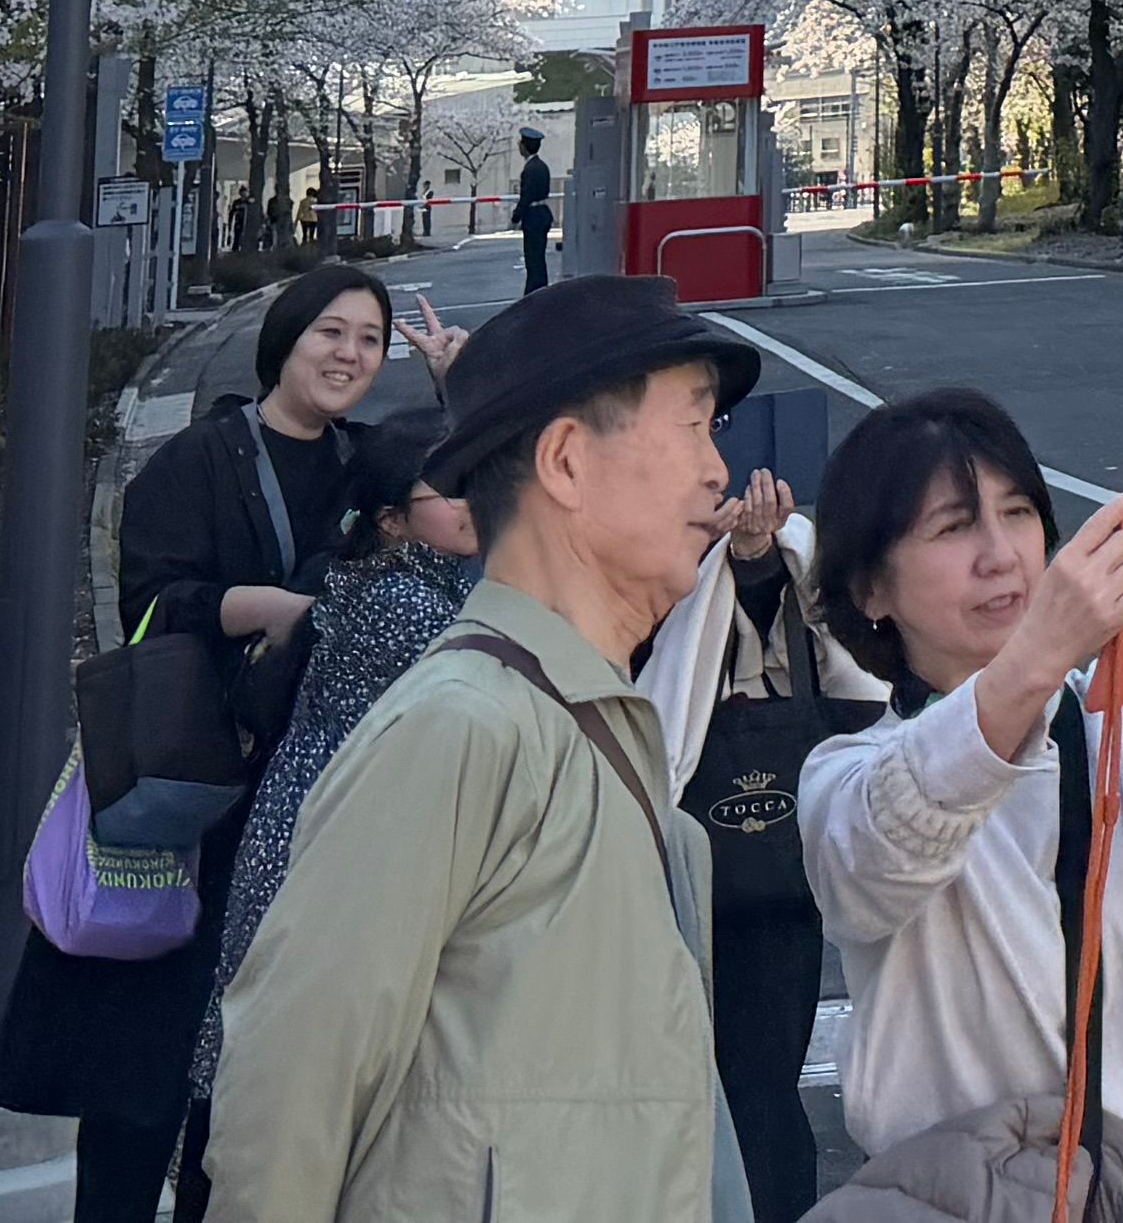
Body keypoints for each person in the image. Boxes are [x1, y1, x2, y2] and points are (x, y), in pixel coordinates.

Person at [209, 271, 764, 1223]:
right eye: (692, 427)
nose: (719, 471)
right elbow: (289, 1083)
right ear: (566, 462)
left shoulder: (588, 713)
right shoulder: (463, 722)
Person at [0, 260, 462, 1223]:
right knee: (144, 1067)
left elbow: (458, 496)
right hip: (195, 796)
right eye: (332, 332)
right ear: (285, 338)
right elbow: (151, 603)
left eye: (370, 340)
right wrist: (271, 609)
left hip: (310, 801)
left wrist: (457, 383)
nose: (350, 355)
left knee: (249, 1074)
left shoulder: (364, 460)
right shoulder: (201, 458)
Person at [798, 384, 1123, 1223]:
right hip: (981, 1201)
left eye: (1018, 514)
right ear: (871, 590)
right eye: (954, 527)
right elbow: (883, 846)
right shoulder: (849, 773)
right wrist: (1039, 655)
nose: (1001, 555)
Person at [190, 426, 488, 1119]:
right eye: (448, 491)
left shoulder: (386, 580)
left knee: (265, 1070)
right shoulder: (407, 605)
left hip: (308, 834)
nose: (471, 501)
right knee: (299, 1080)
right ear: (392, 521)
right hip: (330, 848)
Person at [643, 459, 856, 1222]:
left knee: (760, 1081)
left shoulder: (742, 544)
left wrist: (755, 556)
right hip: (659, 844)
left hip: (765, 871)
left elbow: (796, 638)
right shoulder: (615, 545)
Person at [511, 128, 560, 297]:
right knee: (538, 257)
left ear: (525, 146)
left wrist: (515, 217)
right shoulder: (542, 166)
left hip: (533, 217)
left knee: (533, 259)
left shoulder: (530, 169)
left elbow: (526, 196)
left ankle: (534, 294)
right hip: (542, 214)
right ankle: (540, 292)